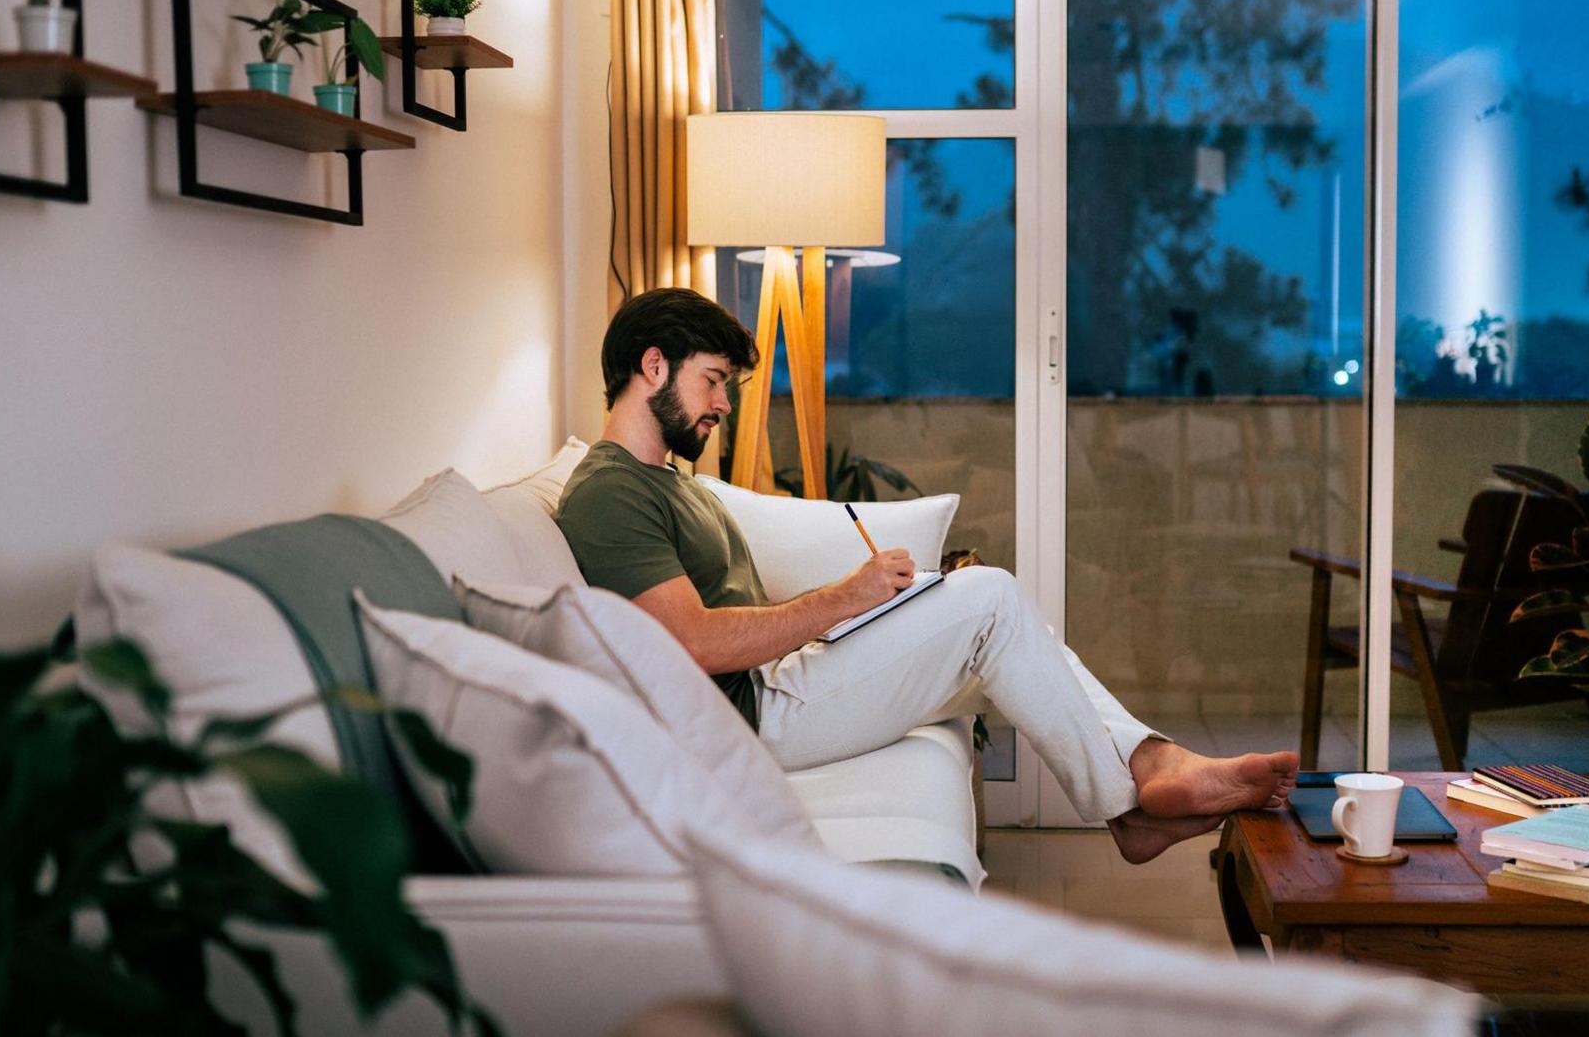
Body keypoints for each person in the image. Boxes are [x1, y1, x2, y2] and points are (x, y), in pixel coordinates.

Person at [554, 288, 1298, 863]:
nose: (722, 403)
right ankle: (1131, 804)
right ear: (652, 365)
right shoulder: (610, 491)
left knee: (1014, 633)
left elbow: (727, 614)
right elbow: (693, 643)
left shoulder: (671, 481)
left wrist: (859, 615)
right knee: (993, 598)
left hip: (778, 680)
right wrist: (843, 596)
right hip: (750, 716)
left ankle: (1146, 764)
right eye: (713, 380)